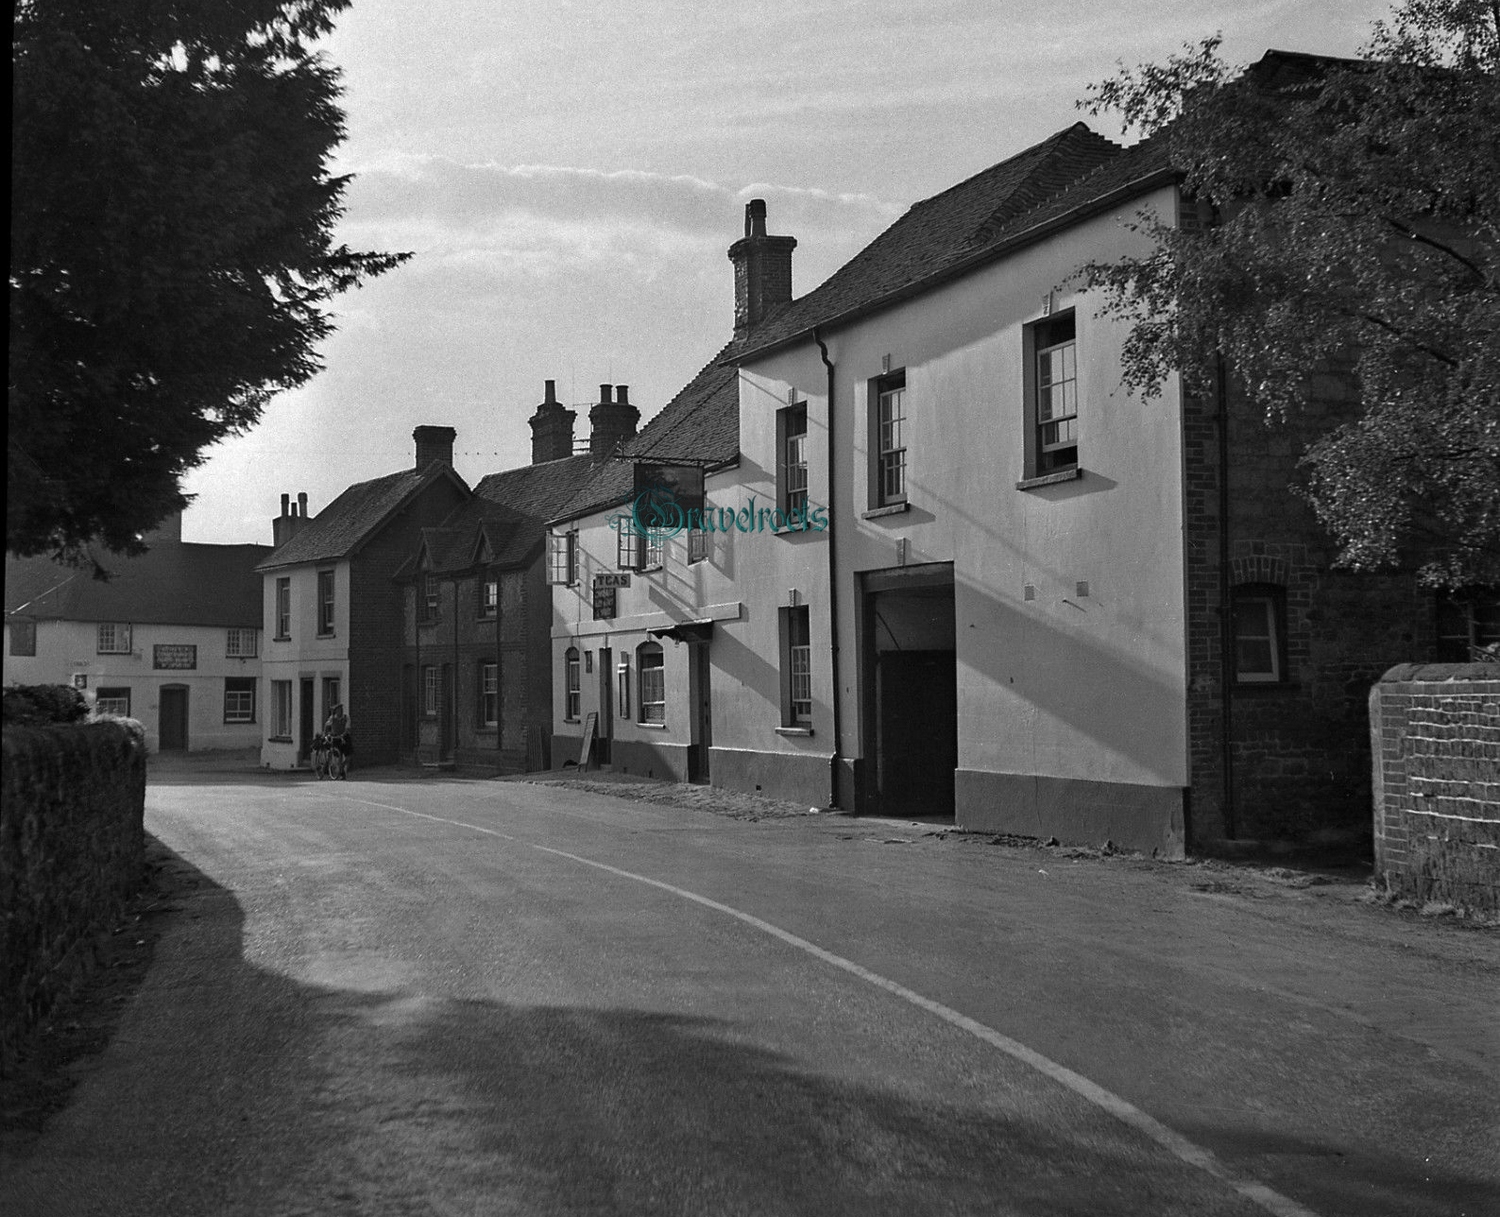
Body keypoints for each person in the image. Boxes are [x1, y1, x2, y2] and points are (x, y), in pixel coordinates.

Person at [323, 704, 352, 771]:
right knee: (339, 755)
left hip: (344, 737)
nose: (341, 711)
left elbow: (347, 729)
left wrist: (343, 735)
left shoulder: (346, 717)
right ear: (336, 711)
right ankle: (340, 772)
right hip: (335, 737)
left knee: (349, 756)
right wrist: (325, 734)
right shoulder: (332, 718)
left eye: (341, 709)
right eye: (339, 710)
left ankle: (342, 766)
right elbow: (326, 725)